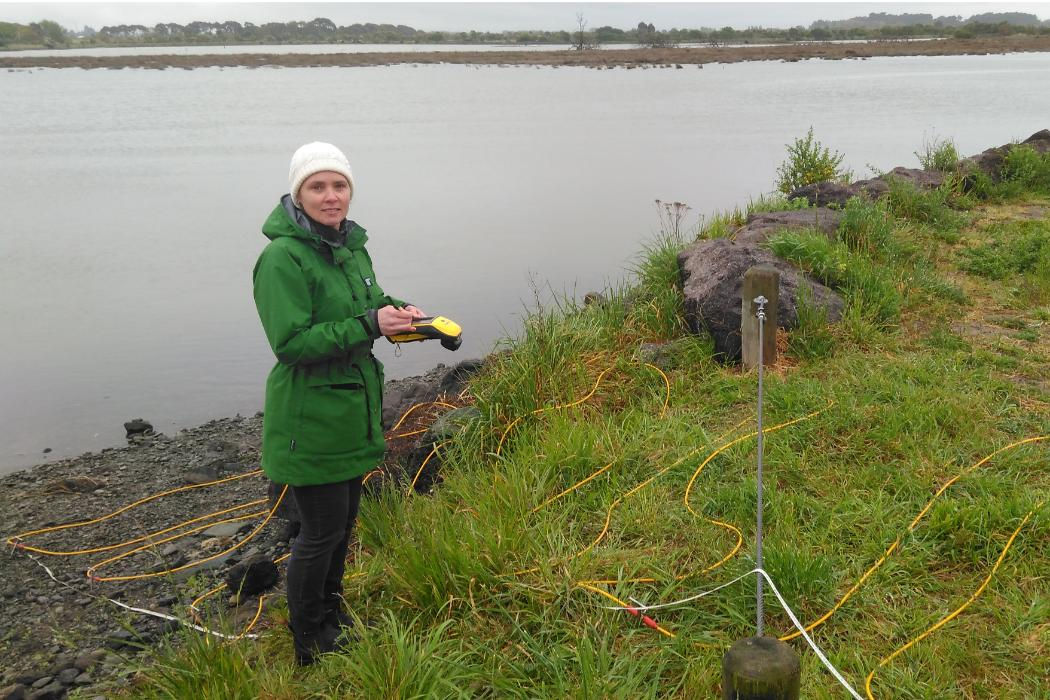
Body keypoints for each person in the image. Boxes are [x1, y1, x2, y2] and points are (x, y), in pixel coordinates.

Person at [252, 141, 424, 665]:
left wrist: (394, 310)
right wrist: (370, 326)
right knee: (318, 531)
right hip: (311, 417)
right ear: (298, 194)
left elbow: (363, 303)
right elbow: (292, 344)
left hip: (350, 408)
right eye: (318, 187)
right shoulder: (282, 257)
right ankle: (308, 639)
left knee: (343, 523)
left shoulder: (348, 246)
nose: (331, 196)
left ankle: (332, 614)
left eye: (340, 185)